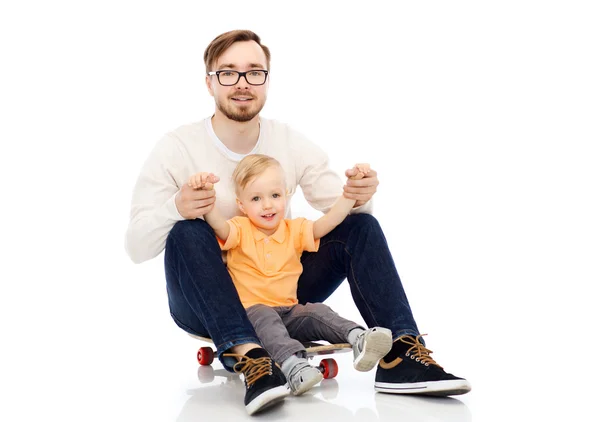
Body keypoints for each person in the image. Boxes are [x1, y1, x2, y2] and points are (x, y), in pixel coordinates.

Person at [125, 29, 471, 415]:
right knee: (188, 230)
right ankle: (253, 360)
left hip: (278, 291)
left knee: (362, 227)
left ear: (267, 80)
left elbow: (350, 218)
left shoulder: (288, 141)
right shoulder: (176, 147)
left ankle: (400, 355)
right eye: (228, 73)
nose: (242, 83)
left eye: (254, 72)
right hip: (204, 301)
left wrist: (359, 191)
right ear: (209, 82)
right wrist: (178, 205)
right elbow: (137, 247)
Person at [189, 155, 394, 397]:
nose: (267, 205)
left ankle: (359, 337)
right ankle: (293, 366)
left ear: (286, 196)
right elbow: (217, 226)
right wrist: (207, 196)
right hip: (253, 315)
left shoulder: (293, 230)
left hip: (289, 311)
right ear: (242, 205)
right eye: (256, 198)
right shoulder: (239, 229)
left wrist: (349, 196)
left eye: (275, 196)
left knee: (318, 311)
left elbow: (327, 223)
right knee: (266, 317)